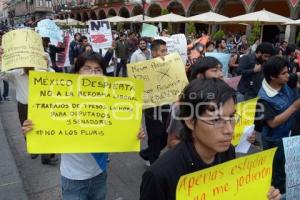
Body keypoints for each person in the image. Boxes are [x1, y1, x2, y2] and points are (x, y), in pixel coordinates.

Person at [22, 52, 145, 200]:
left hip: (99, 174)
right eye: (87, 68)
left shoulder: (111, 102)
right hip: (73, 179)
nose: (92, 74)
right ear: (76, 73)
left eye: (98, 70)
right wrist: (31, 129)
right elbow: (46, 129)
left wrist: (133, 133)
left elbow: (116, 135)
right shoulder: (61, 99)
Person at [140, 78, 281, 200]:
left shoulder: (227, 153)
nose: (229, 130)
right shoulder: (159, 175)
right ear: (190, 122)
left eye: (231, 117)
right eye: (216, 120)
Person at [254, 56, 300, 195]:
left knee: (290, 168)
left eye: (288, 71)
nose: (288, 76)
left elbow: (296, 76)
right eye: (284, 73)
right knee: (277, 173)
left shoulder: (284, 81)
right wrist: (294, 107)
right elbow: (272, 123)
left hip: (290, 134)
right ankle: (278, 194)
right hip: (275, 140)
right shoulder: (263, 98)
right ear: (273, 77)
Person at [139, 39, 170, 166]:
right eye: (163, 51)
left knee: (167, 134)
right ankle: (153, 162)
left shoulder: (168, 66)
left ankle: (147, 153)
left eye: (166, 50)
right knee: (156, 135)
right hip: (152, 108)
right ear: (154, 53)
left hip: (166, 105)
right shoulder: (143, 69)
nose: (165, 53)